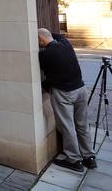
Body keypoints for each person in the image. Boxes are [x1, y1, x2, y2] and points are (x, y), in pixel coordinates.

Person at [38, 28, 97, 172]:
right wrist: (44, 32)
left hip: (64, 93)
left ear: (41, 40)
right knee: (82, 124)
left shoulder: (45, 54)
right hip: (81, 90)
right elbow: (57, 35)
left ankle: (74, 159)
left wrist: (43, 86)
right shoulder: (66, 44)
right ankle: (89, 157)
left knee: (67, 126)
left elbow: (49, 77)